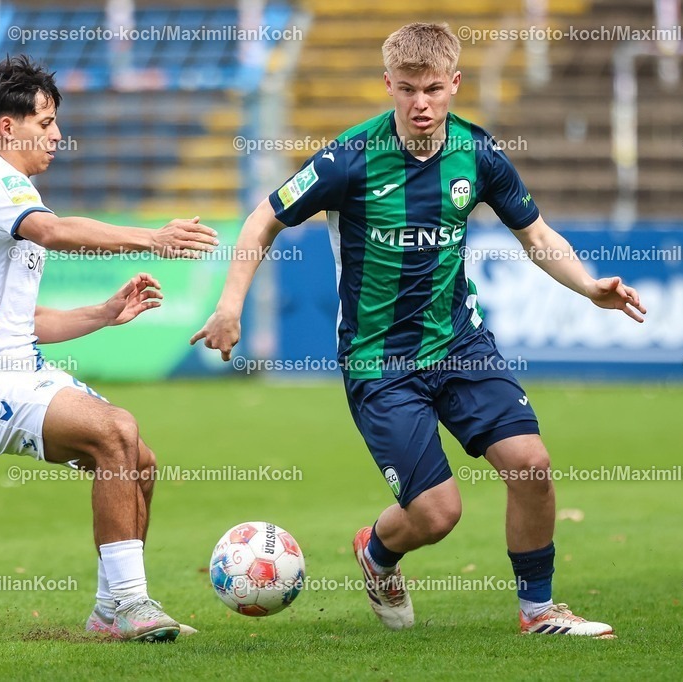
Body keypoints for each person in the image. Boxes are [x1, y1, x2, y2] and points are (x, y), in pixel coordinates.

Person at [191, 22, 645, 638]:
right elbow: (260, 221)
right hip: (380, 362)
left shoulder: (478, 154)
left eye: (433, 88)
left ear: (455, 83)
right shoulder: (348, 158)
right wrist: (230, 305)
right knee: (437, 514)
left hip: (460, 344)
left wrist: (590, 287)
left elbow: (536, 235)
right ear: (388, 85)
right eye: (407, 89)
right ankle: (377, 555)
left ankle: (539, 612)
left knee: (531, 465)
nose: (421, 103)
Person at [0, 55, 218, 642]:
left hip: (18, 367)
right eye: (45, 121)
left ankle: (108, 611)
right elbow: (56, 231)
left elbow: (26, 321)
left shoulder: (2, 196)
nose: (57, 134)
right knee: (116, 430)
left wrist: (104, 314)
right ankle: (132, 603)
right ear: (6, 128)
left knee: (138, 459)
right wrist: (151, 237)